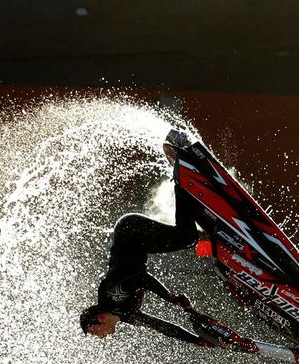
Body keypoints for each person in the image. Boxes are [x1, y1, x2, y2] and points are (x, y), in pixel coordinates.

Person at [80, 138, 217, 347]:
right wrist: (196, 340)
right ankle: (209, 228)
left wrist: (170, 297)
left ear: (98, 319)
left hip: (131, 232)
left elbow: (141, 278)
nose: (101, 337)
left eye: (95, 333)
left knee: (185, 238)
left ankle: (184, 181)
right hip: (139, 241)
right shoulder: (124, 313)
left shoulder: (111, 297)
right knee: (187, 239)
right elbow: (162, 327)